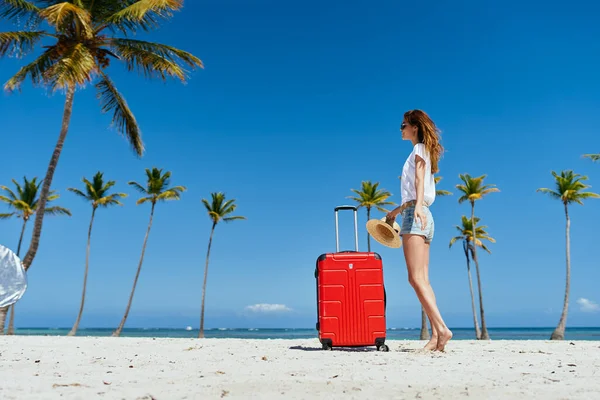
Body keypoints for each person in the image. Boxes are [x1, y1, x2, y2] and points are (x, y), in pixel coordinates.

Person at [385, 109, 452, 352]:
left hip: (417, 214)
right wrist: (396, 211)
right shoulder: (421, 150)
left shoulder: (418, 149)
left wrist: (417, 210)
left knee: (415, 278)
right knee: (423, 279)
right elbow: (414, 191)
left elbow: (419, 181)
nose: (401, 129)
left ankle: (442, 329)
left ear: (414, 127)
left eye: (403, 125)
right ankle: (436, 337)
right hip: (420, 212)